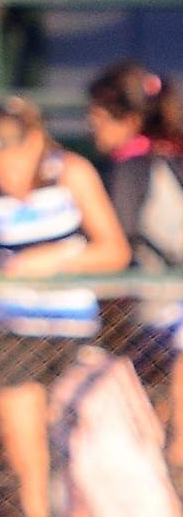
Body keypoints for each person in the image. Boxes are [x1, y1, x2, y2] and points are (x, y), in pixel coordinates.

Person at [0, 98, 129, 517]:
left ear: (33, 143)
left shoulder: (70, 172)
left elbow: (113, 250)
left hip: (70, 333)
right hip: (11, 335)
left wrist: (52, 261)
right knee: (25, 454)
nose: (4, 170)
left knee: (77, 450)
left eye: (11, 157)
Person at [86, 61, 183, 466]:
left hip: (160, 310)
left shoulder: (134, 167)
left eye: (95, 117)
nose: (90, 127)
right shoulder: (170, 158)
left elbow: (119, 241)